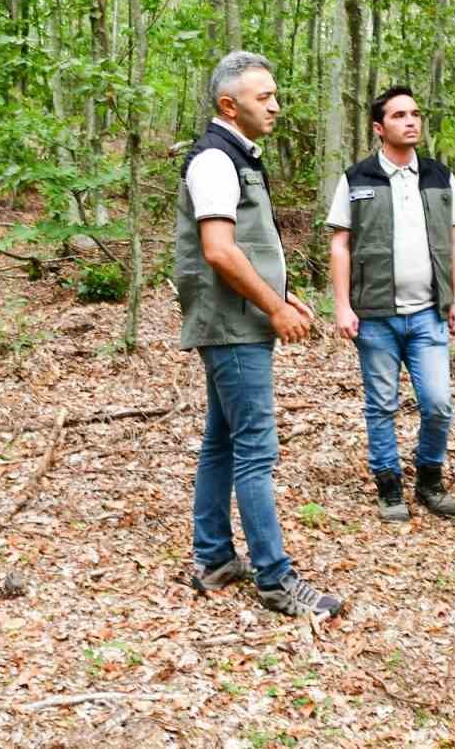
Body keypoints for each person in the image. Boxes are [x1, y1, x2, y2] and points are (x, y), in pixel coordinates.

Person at [174, 50, 343, 620]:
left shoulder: (236, 157)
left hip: (237, 320)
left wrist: (283, 290)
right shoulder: (215, 161)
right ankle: (275, 579)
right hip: (233, 326)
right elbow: (219, 250)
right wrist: (273, 308)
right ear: (230, 104)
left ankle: (216, 558)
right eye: (263, 97)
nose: (275, 105)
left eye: (274, 94)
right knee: (254, 451)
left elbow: (245, 245)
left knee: (222, 440)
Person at [326, 87, 455, 522]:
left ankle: (429, 479)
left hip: (428, 314)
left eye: (415, 114)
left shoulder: (438, 176)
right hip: (375, 316)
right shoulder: (357, 179)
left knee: (438, 403)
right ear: (378, 127)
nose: (411, 121)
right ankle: (388, 486)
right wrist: (342, 306)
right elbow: (340, 244)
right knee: (381, 403)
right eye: (399, 115)